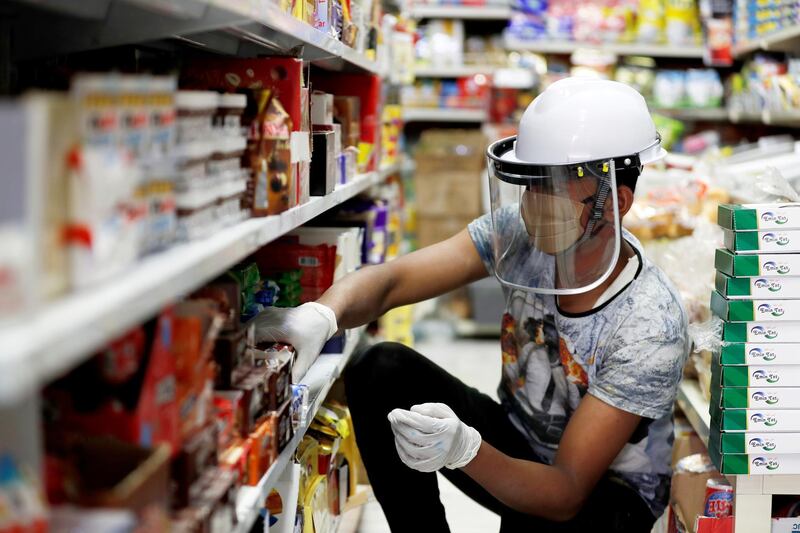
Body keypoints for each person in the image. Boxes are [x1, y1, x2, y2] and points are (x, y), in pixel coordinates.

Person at [255, 77, 689, 532]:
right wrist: (323, 314)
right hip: (523, 437)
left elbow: (564, 492)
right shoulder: (519, 238)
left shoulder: (649, 323)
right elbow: (392, 281)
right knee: (380, 368)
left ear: (616, 202)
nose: (534, 203)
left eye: (556, 186)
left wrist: (465, 449)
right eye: (531, 183)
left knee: (550, 517)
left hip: (603, 494)